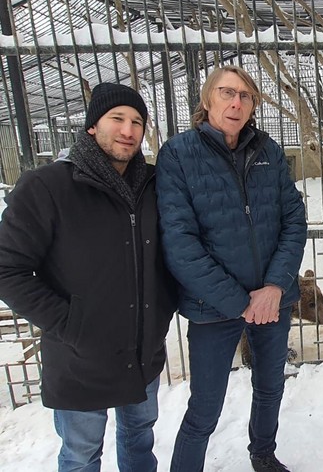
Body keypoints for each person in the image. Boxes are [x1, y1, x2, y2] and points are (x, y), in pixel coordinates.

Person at [0, 83, 177, 471]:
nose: (128, 130)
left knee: (139, 440)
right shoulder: (47, 187)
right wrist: (69, 323)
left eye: (137, 122)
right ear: (92, 126)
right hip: (79, 355)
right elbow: (7, 268)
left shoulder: (153, 185)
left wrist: (162, 309)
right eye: (117, 119)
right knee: (81, 454)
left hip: (142, 352)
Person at [156, 65, 307, 472]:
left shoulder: (268, 151)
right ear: (207, 100)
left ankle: (263, 453)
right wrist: (240, 302)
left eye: (245, 95)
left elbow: (294, 219)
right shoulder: (178, 154)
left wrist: (275, 285)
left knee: (270, 386)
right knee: (205, 405)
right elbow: (180, 242)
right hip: (213, 305)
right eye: (226, 93)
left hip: (272, 299)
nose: (236, 102)